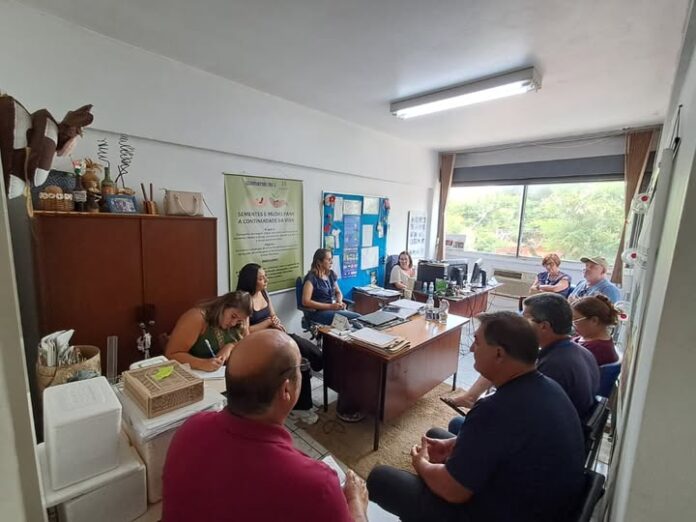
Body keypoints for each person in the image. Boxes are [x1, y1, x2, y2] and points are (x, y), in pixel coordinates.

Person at [367, 312, 585, 522]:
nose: (471, 348)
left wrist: (420, 463)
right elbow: (506, 440)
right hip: (544, 503)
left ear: (499, 354)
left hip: (502, 514)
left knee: (382, 478)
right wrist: (456, 444)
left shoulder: (494, 409)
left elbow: (453, 491)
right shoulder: (548, 386)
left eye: (477, 342)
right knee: (437, 435)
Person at [162, 330, 369, 521]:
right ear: (286, 390)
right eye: (300, 367)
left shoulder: (189, 429)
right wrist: (356, 502)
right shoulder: (317, 484)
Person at [445, 292, 599, 433]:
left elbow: (518, 420)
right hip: (561, 431)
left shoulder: (553, 368)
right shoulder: (579, 352)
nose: (519, 322)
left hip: (540, 439)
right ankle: (471, 397)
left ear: (544, 326)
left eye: (525, 318)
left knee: (457, 423)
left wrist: (486, 410)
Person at [236, 262, 322, 424]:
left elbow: (273, 315)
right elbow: (246, 333)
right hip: (260, 344)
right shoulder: (244, 300)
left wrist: (276, 323)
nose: (265, 280)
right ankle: (300, 408)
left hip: (276, 336)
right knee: (300, 364)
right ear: (251, 281)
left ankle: (320, 370)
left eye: (265, 276)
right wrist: (268, 323)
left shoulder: (264, 293)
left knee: (311, 351)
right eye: (261, 278)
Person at [165, 291, 251, 371]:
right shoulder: (197, 318)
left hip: (225, 374)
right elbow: (171, 354)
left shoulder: (241, 322)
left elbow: (247, 347)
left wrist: (230, 346)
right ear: (223, 306)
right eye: (233, 316)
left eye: (239, 321)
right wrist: (202, 363)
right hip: (195, 374)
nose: (233, 323)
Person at [302, 248, 360, 325]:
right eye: (329, 260)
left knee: (359, 320)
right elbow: (305, 301)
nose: (331, 262)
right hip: (318, 312)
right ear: (319, 262)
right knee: (357, 319)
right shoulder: (311, 278)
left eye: (331, 259)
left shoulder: (331, 274)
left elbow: (338, 292)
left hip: (333, 309)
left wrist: (339, 302)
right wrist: (330, 306)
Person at [571, 295, 620, 366]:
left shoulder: (598, 350)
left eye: (575, 320)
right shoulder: (587, 337)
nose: (573, 324)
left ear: (594, 321)